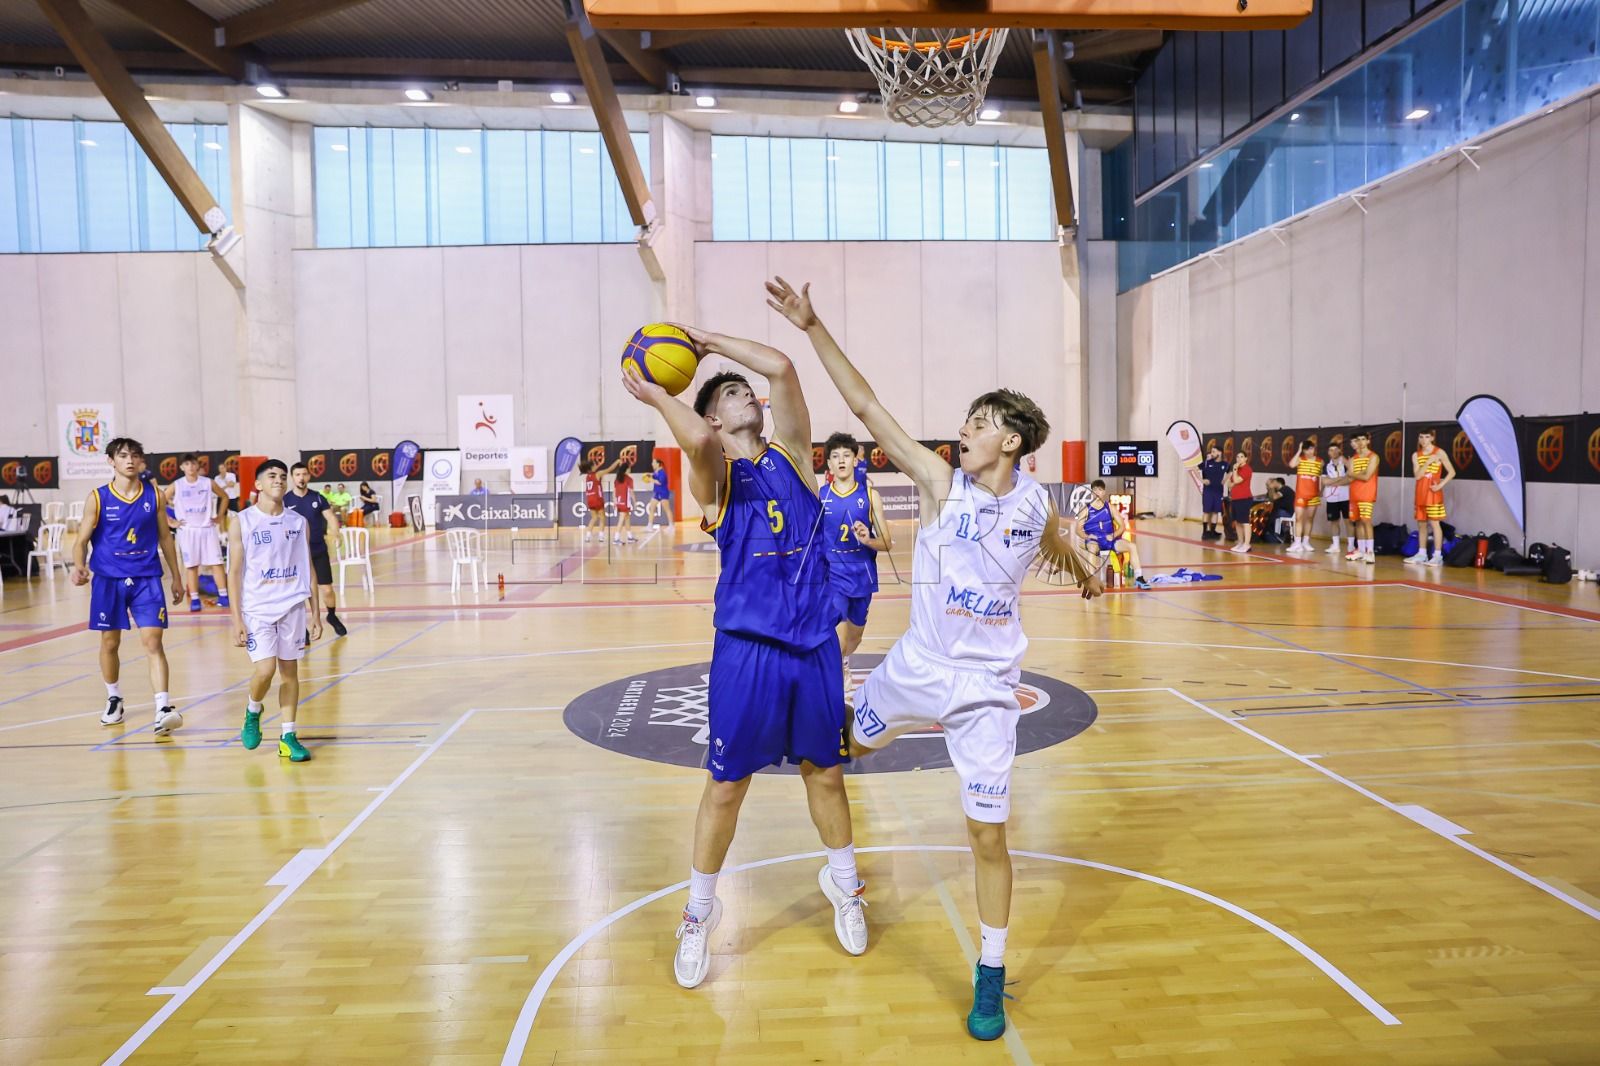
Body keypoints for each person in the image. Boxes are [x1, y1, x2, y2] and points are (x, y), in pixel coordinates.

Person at [770, 275, 1103, 1041]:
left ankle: (991, 974)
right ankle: (842, 867)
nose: (965, 429)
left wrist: (1083, 570)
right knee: (837, 745)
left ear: (1011, 440)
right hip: (917, 668)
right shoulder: (934, 481)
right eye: (966, 420)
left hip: (987, 690)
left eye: (980, 423)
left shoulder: (1035, 501)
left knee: (988, 835)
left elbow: (1052, 542)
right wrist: (815, 325)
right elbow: (865, 406)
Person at [619, 315, 869, 991]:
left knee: (825, 773)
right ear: (714, 415)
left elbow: (783, 367)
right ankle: (699, 913)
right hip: (747, 651)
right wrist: (655, 393)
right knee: (727, 787)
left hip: (813, 643)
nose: (746, 394)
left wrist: (703, 339)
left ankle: (845, 885)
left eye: (743, 391)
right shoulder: (714, 477)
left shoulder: (791, 453)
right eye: (730, 394)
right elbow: (696, 437)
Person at [68, 437, 186, 736]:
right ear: (111, 461)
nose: (130, 460)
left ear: (142, 461)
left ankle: (163, 708)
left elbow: (165, 538)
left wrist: (177, 576)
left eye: (135, 455)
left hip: (146, 578)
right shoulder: (97, 497)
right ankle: (114, 697)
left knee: (153, 642)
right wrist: (79, 565)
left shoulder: (155, 496)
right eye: (123, 456)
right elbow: (81, 540)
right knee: (110, 643)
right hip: (109, 579)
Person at [229, 460, 320, 763]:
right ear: (258, 485)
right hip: (257, 608)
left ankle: (288, 736)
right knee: (265, 670)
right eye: (272, 476)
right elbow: (234, 573)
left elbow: (309, 567)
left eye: (283, 476)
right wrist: (236, 619)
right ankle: (253, 710)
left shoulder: (298, 521)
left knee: (290, 673)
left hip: (292, 605)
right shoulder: (243, 521)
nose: (279, 481)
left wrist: (316, 613)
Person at [819, 431, 893, 687]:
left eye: (846, 455)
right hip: (832, 574)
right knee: (837, 634)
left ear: (855, 460)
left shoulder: (871, 496)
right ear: (828, 463)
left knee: (853, 640)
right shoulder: (819, 497)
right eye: (835, 456)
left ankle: (844, 660)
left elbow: (887, 543)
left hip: (862, 575)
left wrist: (867, 540)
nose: (840, 460)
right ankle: (834, 679)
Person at [285, 462, 347, 638]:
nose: (301, 478)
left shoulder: (317, 498)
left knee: (326, 589)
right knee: (298, 593)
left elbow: (330, 517)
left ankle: (332, 616)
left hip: (318, 550)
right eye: (297, 474)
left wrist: (336, 534)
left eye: (304, 474)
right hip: (296, 554)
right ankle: (302, 627)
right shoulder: (286, 500)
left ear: (309, 477)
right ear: (292, 477)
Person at [164, 453, 231, 613]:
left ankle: (223, 595)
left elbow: (225, 496)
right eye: (187, 464)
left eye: (193, 464)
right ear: (182, 467)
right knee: (192, 566)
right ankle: (194, 598)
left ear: (197, 466)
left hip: (207, 529)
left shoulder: (208, 483)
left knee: (216, 563)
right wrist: (169, 521)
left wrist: (220, 516)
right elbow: (160, 501)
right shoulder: (177, 485)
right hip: (187, 531)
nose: (191, 467)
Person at [1074, 479, 1151, 589]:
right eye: (1094, 490)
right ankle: (1091, 581)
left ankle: (1139, 578)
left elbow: (1122, 526)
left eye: (1099, 490)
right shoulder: (1086, 509)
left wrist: (1113, 535)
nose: (1097, 492)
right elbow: (1078, 530)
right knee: (1092, 547)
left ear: (1104, 492)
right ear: (1091, 492)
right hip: (1094, 540)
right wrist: (1087, 536)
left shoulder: (1110, 507)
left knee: (1132, 546)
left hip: (1109, 540)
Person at [1409, 429, 1456, 566]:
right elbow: (1418, 476)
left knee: (1435, 523)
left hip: (1433, 493)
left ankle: (1437, 555)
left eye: (1427, 437)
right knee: (1421, 524)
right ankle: (1422, 554)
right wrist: (1428, 461)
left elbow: (1452, 472)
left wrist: (1441, 485)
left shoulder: (1439, 452)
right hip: (1420, 493)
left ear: (1432, 438)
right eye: (1421, 437)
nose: (1423, 440)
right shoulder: (1415, 455)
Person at [1344, 430, 1380, 563]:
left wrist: (1354, 474)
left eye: (1363, 439)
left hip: (1367, 494)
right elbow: (1350, 475)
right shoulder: (1353, 458)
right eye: (1358, 440)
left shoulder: (1373, 457)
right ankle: (1361, 550)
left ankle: (1370, 552)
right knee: (1357, 522)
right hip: (1354, 493)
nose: (1360, 442)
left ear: (1368, 441)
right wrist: (1356, 473)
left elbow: (1366, 476)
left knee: (1366, 521)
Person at [1287, 441, 1323, 554]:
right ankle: (1297, 543)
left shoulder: (1320, 461)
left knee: (1310, 518)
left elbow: (1321, 477)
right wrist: (1298, 450)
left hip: (1314, 495)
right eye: (1307, 449)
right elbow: (1291, 465)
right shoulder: (1300, 459)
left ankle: (1306, 541)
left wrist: (1321, 491)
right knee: (1299, 518)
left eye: (1312, 449)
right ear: (1303, 450)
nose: (1309, 451)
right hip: (1301, 494)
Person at [580, 457, 620, 543]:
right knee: (602, 518)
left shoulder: (587, 476)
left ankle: (588, 536)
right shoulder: (598, 474)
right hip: (597, 498)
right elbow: (610, 469)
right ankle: (601, 536)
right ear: (591, 467)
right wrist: (617, 461)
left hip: (589, 498)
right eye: (594, 464)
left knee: (594, 518)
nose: (596, 465)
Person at [1321, 442, 1350, 556]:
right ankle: (1335, 545)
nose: (1333, 452)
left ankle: (1351, 545)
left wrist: (1332, 481)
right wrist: (1340, 479)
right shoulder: (1326, 466)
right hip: (1332, 498)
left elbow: (1349, 478)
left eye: (1335, 449)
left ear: (1339, 451)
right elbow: (1324, 482)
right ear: (1328, 453)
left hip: (1345, 496)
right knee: (1334, 521)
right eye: (1331, 450)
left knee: (1348, 521)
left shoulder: (1345, 462)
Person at [1226, 451, 1254, 554]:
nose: (1239, 459)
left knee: (1245, 522)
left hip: (1244, 498)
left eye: (1242, 457)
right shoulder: (1237, 470)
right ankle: (1240, 542)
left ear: (1246, 459)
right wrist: (1233, 476)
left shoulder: (1247, 469)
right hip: (1235, 498)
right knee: (1237, 522)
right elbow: (1229, 484)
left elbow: (1237, 481)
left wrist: (1234, 470)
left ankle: (1247, 544)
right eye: (1237, 457)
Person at [1199, 444, 1229, 540]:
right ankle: (1204, 532)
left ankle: (1212, 532)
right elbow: (1194, 469)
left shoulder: (1225, 464)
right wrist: (1202, 480)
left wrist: (1225, 480)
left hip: (1218, 491)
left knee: (1216, 512)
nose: (1211, 454)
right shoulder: (1207, 463)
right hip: (1208, 491)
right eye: (1211, 452)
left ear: (1220, 453)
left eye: (1214, 452)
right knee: (1206, 511)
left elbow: (1231, 471)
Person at [611, 461, 638, 544]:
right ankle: (616, 538)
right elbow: (631, 492)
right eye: (629, 468)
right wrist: (635, 502)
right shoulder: (629, 479)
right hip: (625, 501)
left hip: (619, 501)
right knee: (622, 519)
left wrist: (614, 502)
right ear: (626, 469)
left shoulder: (617, 479)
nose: (630, 469)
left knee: (627, 518)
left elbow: (614, 492)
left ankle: (629, 537)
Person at [645, 457, 674, 529]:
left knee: (667, 509)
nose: (652, 464)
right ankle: (649, 525)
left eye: (653, 462)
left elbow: (660, 482)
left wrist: (651, 480)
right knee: (652, 508)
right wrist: (648, 476)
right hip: (656, 493)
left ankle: (671, 525)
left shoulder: (662, 473)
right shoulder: (656, 472)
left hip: (663, 493)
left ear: (658, 464)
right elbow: (652, 477)